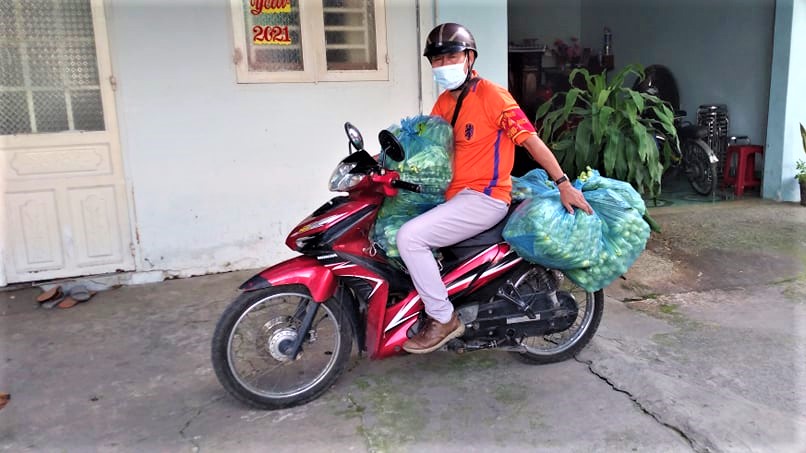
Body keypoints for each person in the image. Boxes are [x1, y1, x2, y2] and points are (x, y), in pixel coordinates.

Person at [397, 23, 593, 354]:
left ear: (469, 58)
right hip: (454, 197)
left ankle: (443, 318)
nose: (444, 65)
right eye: (437, 60)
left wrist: (563, 183)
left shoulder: (492, 96)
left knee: (410, 238)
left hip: (484, 198)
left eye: (451, 57)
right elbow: (428, 147)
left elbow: (531, 141)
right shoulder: (444, 103)